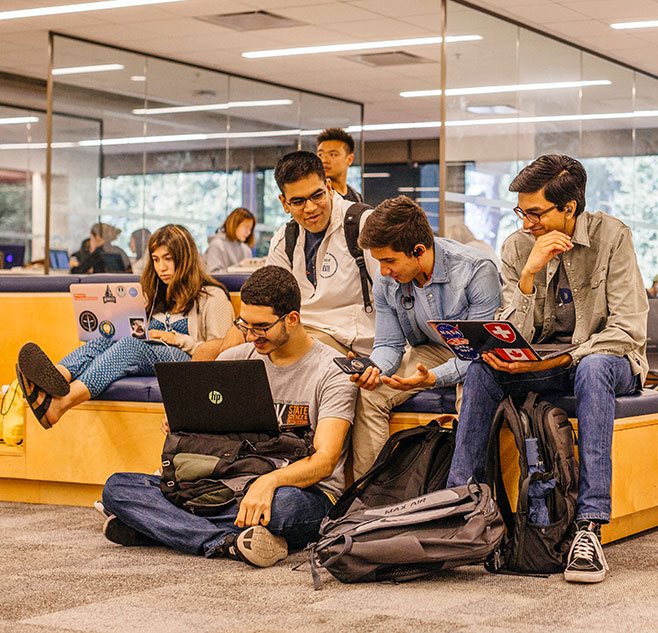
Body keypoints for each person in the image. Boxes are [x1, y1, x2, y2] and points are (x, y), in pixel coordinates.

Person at [445, 154, 648, 584]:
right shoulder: (519, 247)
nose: (526, 222)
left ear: (570, 207)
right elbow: (512, 330)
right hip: (548, 361)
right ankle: (460, 506)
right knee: (483, 369)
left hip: (613, 361)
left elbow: (627, 330)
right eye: (521, 211)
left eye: (535, 212)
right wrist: (528, 277)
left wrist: (567, 357)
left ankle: (588, 527)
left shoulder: (612, 237)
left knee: (593, 368)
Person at [100, 265, 357, 567]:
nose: (251, 335)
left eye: (261, 327)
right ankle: (225, 541)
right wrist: (182, 423)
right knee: (117, 488)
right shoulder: (234, 359)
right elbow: (210, 435)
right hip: (228, 484)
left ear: (292, 319)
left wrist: (269, 482)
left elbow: (325, 460)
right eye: (244, 324)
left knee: (283, 509)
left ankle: (161, 527)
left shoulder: (333, 371)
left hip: (303, 492)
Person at [15, 224, 235, 429]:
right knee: (110, 336)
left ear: (185, 259)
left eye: (168, 259)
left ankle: (61, 403)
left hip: (185, 361)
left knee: (131, 345)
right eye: (156, 260)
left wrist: (177, 338)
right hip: (151, 355)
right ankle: (58, 377)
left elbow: (223, 351)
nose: (161, 267)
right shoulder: (154, 294)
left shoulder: (212, 296)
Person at [350, 195, 501, 478]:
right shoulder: (387, 280)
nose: (383, 271)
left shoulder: (476, 270)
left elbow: (480, 352)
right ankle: (369, 497)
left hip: (476, 356)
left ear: (419, 250)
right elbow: (388, 344)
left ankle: (467, 495)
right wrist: (373, 369)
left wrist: (434, 377)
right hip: (430, 352)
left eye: (389, 261)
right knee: (369, 395)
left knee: (471, 391)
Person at [193, 151, 377, 361]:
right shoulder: (285, 238)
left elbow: (390, 300)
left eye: (317, 195)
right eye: (298, 201)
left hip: (348, 339)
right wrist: (242, 326)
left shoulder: (362, 224)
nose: (310, 208)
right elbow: (268, 297)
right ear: (284, 202)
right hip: (299, 330)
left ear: (328, 187)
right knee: (206, 352)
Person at [317, 127, 363, 203]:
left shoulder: (356, 197)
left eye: (332, 154)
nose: (324, 160)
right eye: (320, 154)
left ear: (349, 159)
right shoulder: (317, 196)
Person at [205, 207, 256, 274]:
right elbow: (212, 275)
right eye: (246, 227)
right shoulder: (217, 245)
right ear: (234, 225)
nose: (249, 232)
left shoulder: (246, 250)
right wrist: (235, 269)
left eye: (250, 229)